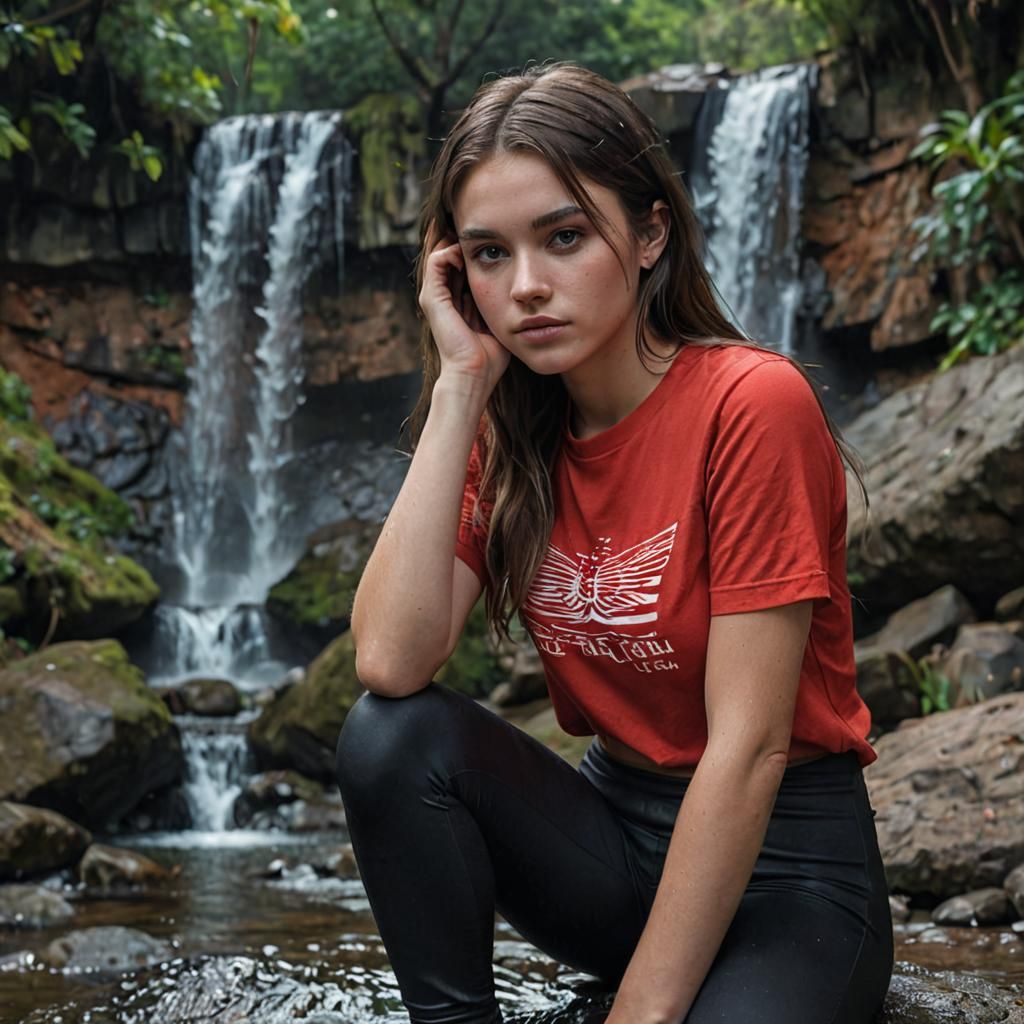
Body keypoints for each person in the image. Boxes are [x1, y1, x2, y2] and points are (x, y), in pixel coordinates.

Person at [335, 62, 893, 1024]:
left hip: (787, 876)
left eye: (562, 237)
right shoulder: (510, 428)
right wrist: (462, 385)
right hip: (613, 847)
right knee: (392, 738)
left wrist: (639, 1012)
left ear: (648, 232)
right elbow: (391, 659)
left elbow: (751, 746)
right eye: (489, 254)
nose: (528, 287)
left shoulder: (750, 405)